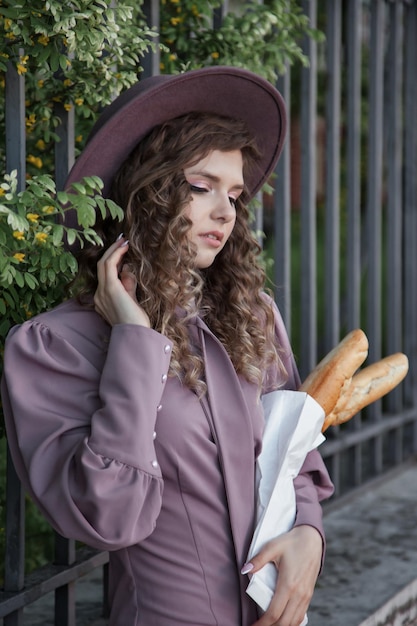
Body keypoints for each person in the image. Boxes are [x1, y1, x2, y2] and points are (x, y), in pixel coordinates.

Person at [1, 66, 334, 626]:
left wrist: (309, 533)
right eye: (200, 187)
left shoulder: (251, 315)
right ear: (144, 191)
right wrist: (135, 342)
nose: (226, 212)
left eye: (233, 193)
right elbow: (108, 518)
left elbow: (292, 455)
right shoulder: (55, 346)